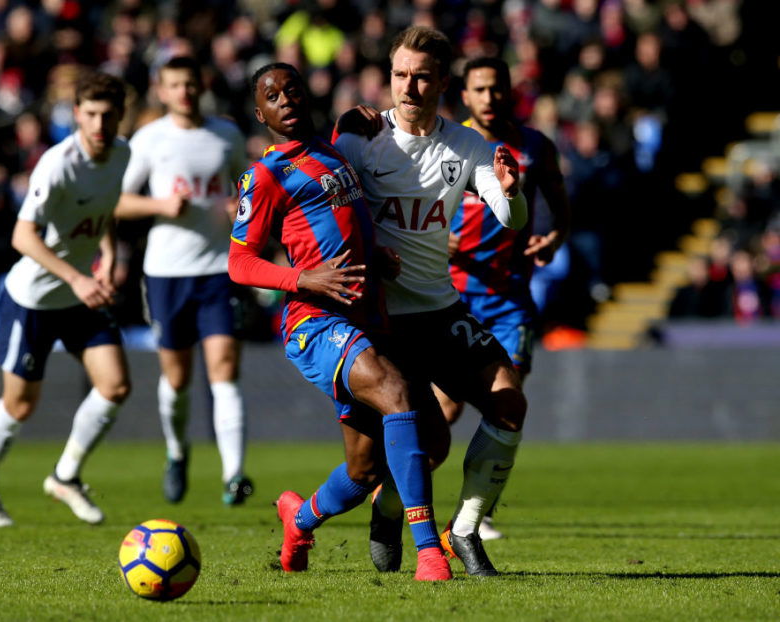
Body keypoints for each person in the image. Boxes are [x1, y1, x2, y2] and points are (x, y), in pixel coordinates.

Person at [228, 62, 452, 581]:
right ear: (259, 113)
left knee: (371, 466)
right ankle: (428, 553)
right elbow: (239, 262)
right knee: (397, 394)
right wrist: (303, 280)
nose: (284, 99)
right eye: (271, 95)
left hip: (369, 318)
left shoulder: (334, 150)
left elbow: (343, 225)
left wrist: (377, 256)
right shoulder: (264, 176)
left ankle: (299, 518)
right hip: (315, 322)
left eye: (291, 89)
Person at [333, 26, 529, 577]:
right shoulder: (358, 140)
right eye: (400, 74)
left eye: (422, 76)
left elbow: (509, 219)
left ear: (443, 81)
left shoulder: (467, 146)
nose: (409, 86)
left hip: (441, 313)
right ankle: (384, 509)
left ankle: (463, 531)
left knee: (509, 403)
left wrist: (511, 194)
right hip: (378, 322)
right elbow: (325, 213)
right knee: (415, 449)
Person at [0, 71, 132, 527]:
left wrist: (109, 257)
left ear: (119, 116)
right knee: (20, 406)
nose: (98, 123)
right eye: (90, 114)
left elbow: (106, 209)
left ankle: (65, 476)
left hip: (78, 295)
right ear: (76, 114)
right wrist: (77, 278)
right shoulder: (58, 163)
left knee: (115, 385)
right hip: (33, 298)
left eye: (107, 115)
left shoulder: (122, 154)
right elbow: (22, 235)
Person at [441, 56, 571, 540]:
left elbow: (559, 207)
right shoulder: (450, 143)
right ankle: (398, 495)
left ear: (509, 91)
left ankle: (476, 513)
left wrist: (555, 236)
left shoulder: (534, 147)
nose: (490, 97)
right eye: (480, 89)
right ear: (466, 95)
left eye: (497, 88)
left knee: (508, 399)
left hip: (511, 296)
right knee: (448, 408)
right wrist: (435, 236)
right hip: (453, 295)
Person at [115, 56, 253, 506]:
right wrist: (158, 207)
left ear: (202, 85)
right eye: (175, 84)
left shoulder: (225, 134)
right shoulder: (149, 139)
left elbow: (244, 188)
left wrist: (239, 209)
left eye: (190, 83)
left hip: (219, 269)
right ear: (161, 89)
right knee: (177, 378)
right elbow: (117, 201)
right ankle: (177, 453)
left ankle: (234, 474)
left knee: (225, 369)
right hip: (167, 273)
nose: (184, 92)